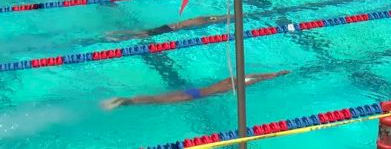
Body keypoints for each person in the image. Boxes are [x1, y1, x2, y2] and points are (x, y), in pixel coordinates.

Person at [101, 70, 290, 110]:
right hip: (197, 96)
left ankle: (127, 100)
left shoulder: (232, 79)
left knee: (159, 98)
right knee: (160, 100)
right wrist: (275, 76)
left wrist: (271, 74)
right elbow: (255, 79)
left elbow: (253, 75)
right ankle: (125, 102)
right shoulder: (241, 84)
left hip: (197, 91)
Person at [106, 15, 230, 41]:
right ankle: (120, 37)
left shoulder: (206, 18)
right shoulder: (207, 20)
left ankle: (118, 33)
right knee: (145, 34)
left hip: (173, 26)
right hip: (173, 28)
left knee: (145, 32)